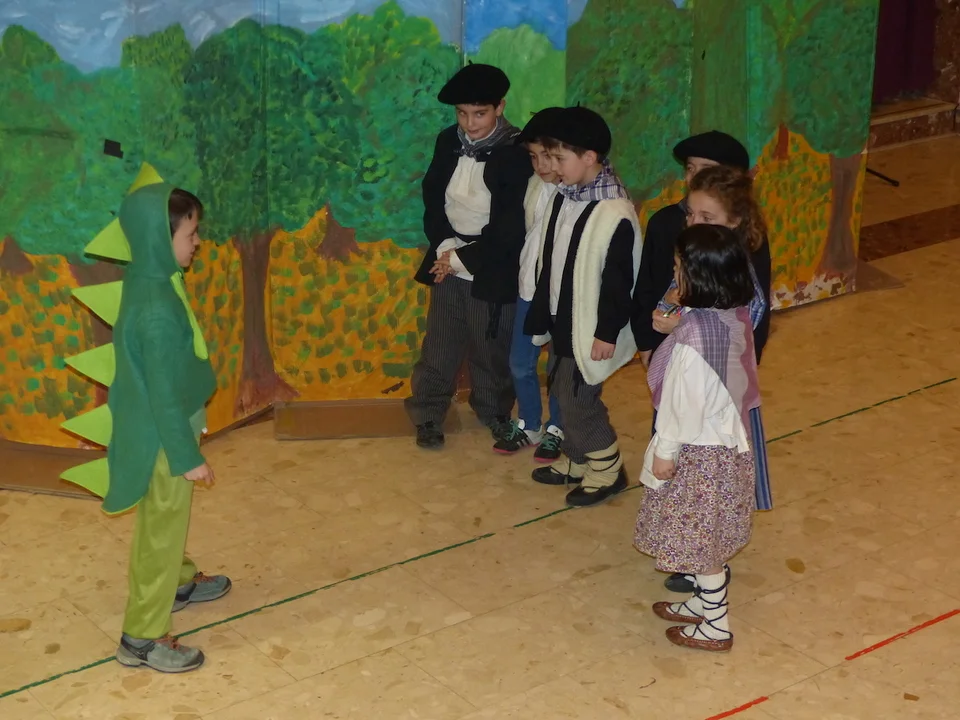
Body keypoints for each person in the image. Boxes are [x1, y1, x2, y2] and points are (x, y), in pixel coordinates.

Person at [109, 184, 229, 673]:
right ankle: (140, 636)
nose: (197, 242)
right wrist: (186, 457)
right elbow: (161, 394)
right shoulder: (157, 308)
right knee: (161, 527)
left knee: (167, 519)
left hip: (167, 426)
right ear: (162, 239)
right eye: (190, 234)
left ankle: (177, 582)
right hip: (166, 437)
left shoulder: (150, 276)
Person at [634, 223, 760, 653]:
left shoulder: (691, 347)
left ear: (699, 278)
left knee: (702, 546)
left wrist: (664, 453)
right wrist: (678, 324)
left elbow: (681, 408)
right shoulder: (729, 316)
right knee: (708, 536)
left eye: (678, 269)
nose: (674, 275)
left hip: (699, 456)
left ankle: (716, 625)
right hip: (725, 450)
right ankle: (702, 604)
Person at [652, 164, 774, 594]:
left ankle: (707, 562)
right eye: (691, 213)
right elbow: (677, 301)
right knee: (688, 484)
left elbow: (731, 345)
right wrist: (669, 315)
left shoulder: (736, 276)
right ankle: (694, 547)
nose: (694, 222)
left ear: (735, 222)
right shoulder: (696, 259)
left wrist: (681, 329)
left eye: (707, 217)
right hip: (688, 393)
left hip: (716, 405)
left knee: (711, 490)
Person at [406, 63, 533, 449]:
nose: (470, 124)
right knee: (439, 344)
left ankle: (494, 412)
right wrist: (445, 246)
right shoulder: (448, 140)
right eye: (462, 114)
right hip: (447, 254)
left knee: (490, 346)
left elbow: (512, 222)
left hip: (492, 262)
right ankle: (428, 413)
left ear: (500, 107)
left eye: (480, 114)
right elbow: (433, 197)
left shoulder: (517, 152)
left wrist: (463, 259)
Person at [525, 106, 641, 508]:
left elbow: (618, 281)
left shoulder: (614, 212)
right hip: (562, 317)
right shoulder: (564, 198)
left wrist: (606, 332)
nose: (553, 168)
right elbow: (550, 259)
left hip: (591, 328)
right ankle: (577, 459)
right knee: (561, 389)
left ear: (589, 157)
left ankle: (608, 469)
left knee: (578, 399)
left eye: (559, 159)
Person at [493, 107, 565, 461]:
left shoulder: (579, 193)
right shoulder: (534, 185)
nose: (540, 165)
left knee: (560, 365)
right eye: (534, 157)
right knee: (520, 361)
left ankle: (558, 427)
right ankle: (530, 423)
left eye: (548, 156)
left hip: (562, 295)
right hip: (529, 288)